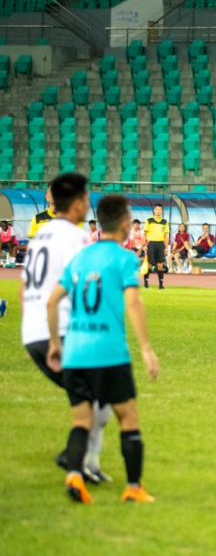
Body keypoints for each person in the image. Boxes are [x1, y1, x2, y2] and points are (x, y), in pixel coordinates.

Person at [46, 194, 160, 503]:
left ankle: (74, 477)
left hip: (75, 353)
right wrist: (147, 348)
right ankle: (134, 487)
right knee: (129, 418)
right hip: (108, 353)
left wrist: (56, 343)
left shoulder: (81, 257)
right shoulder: (125, 258)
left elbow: (52, 300)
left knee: (81, 423)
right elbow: (133, 301)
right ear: (125, 224)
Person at [20, 173, 112, 484]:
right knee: (104, 394)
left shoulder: (41, 236)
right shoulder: (75, 236)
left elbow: (24, 289)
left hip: (32, 333)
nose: (89, 204)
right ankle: (82, 464)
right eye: (86, 198)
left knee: (87, 397)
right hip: (58, 331)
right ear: (76, 204)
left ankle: (77, 460)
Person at [144, 204, 170, 289]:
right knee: (150, 264)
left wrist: (166, 247)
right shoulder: (149, 221)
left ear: (162, 211)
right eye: (157, 209)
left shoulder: (165, 222)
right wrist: (144, 245)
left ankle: (161, 285)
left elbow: (166, 236)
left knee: (160, 265)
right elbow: (144, 234)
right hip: (151, 243)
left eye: (160, 209)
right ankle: (146, 283)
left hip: (160, 244)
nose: (158, 211)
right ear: (154, 210)